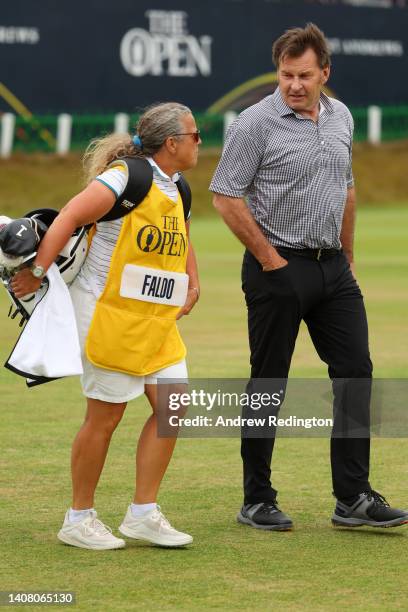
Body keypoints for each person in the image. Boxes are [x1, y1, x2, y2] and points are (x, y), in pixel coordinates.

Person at [210, 24, 408, 531]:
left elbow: (345, 186)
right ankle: (257, 499)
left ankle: (354, 498)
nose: (294, 85)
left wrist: (348, 254)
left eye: (304, 75)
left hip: (334, 270)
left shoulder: (341, 116)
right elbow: (226, 196)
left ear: (325, 73)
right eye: (285, 74)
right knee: (269, 383)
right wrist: (271, 261)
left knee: (356, 372)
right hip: (278, 268)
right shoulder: (254, 123)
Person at [11, 102, 201, 549]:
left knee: (173, 408)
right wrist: (37, 272)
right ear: (172, 142)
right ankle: (78, 518)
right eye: (194, 135)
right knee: (105, 416)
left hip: (156, 320)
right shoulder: (124, 178)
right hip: (106, 315)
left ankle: (143, 514)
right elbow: (72, 215)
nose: (199, 142)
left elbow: (183, 235)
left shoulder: (179, 186)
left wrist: (193, 282)